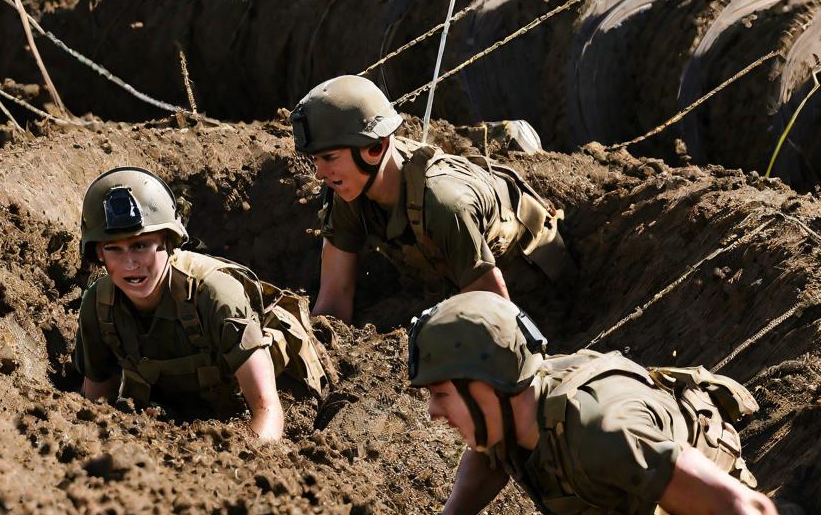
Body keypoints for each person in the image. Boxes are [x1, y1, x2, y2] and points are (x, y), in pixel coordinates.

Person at [396, 291, 791, 515]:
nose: (432, 411)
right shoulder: (512, 410)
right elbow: (489, 455)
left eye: (441, 393)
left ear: (487, 385)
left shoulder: (603, 430)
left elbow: (744, 509)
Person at [289, 74, 572, 323]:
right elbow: (335, 298)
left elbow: (500, 319)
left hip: (532, 286)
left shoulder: (443, 204)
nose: (319, 173)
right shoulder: (349, 191)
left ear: (374, 148)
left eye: (329, 158)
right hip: (454, 280)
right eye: (315, 159)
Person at [74, 167, 328, 440]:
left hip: (256, 402)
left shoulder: (214, 295)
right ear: (98, 253)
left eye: (141, 245)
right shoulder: (99, 305)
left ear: (168, 242)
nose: (130, 264)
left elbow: (268, 411)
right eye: (114, 249)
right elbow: (95, 406)